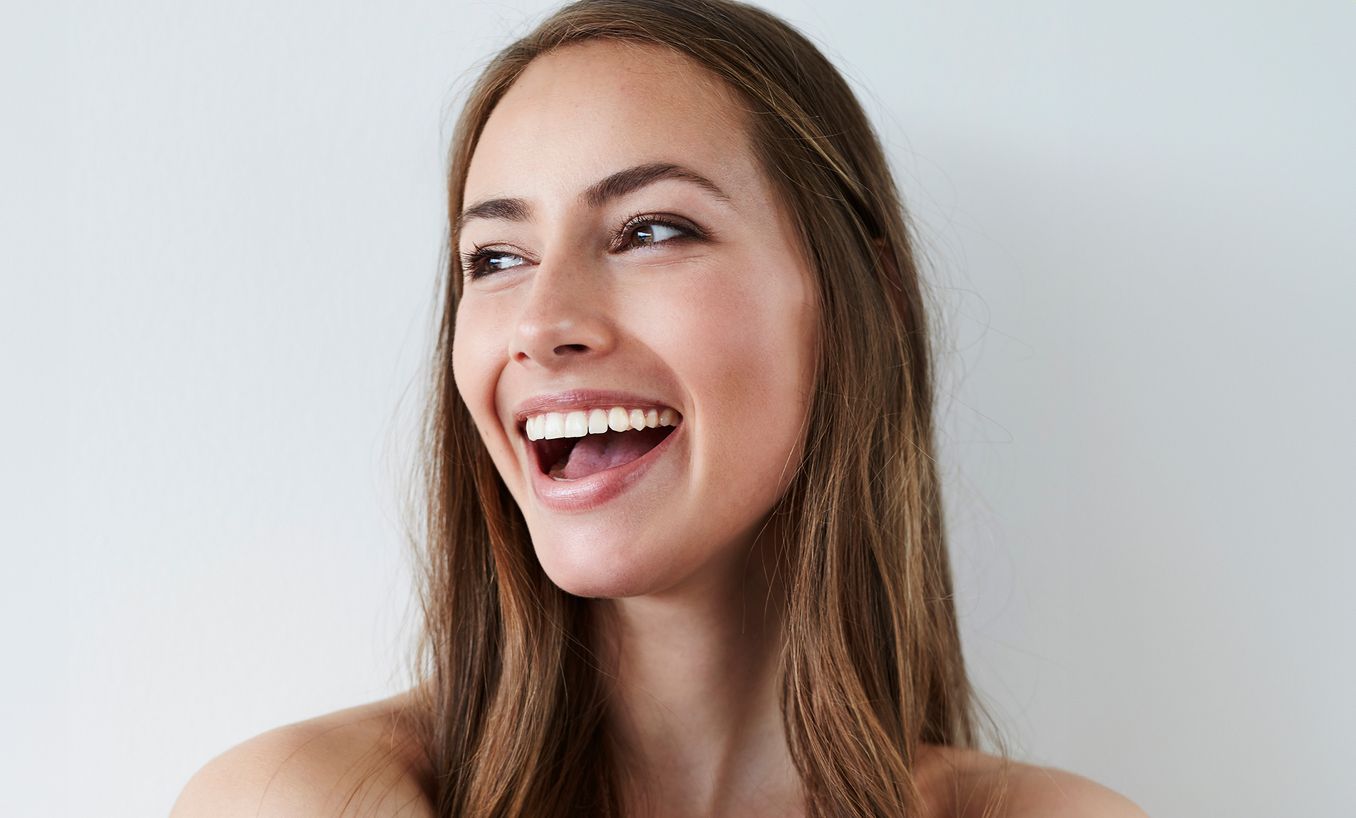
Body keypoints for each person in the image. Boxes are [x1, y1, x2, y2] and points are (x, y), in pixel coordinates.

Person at [171, 1, 1149, 816]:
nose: (544, 322)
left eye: (651, 229)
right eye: (497, 257)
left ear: (866, 303)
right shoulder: (303, 796)